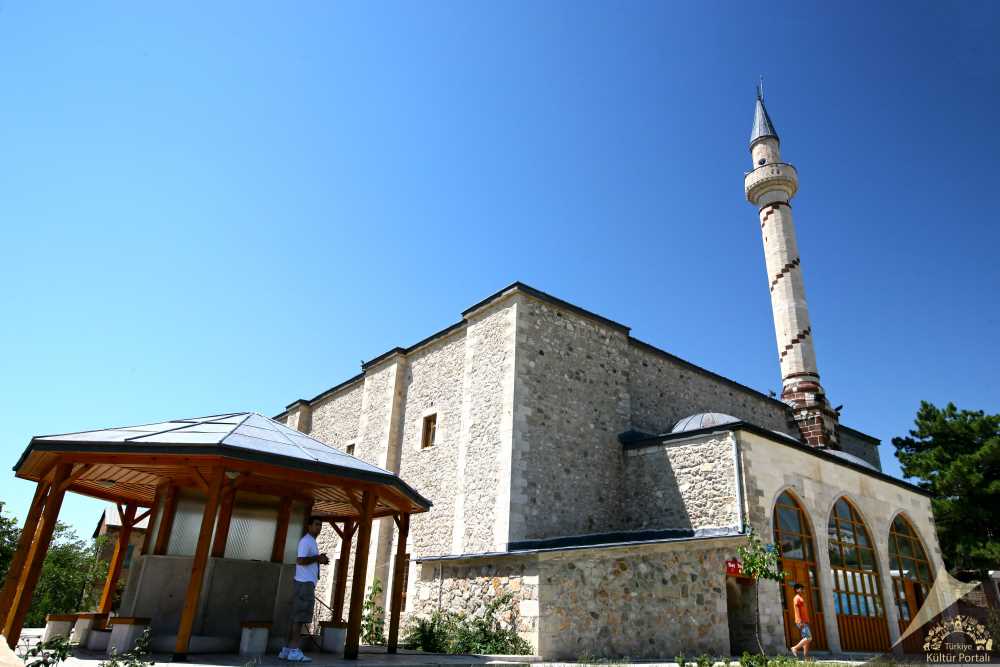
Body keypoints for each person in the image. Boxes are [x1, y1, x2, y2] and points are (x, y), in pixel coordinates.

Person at [279, 516, 329, 662]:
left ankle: (287, 650)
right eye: (316, 524)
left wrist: (319, 559)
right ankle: (294, 651)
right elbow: (300, 560)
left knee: (295, 618)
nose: (319, 527)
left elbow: (308, 559)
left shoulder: (311, 541)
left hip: (304, 583)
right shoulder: (306, 541)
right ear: (309, 526)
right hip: (304, 584)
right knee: (299, 618)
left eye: (320, 525)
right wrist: (317, 558)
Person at [790, 582, 812, 660]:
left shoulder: (800, 597)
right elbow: (797, 610)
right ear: (797, 590)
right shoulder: (797, 598)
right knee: (808, 638)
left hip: (805, 621)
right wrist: (800, 621)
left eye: (803, 588)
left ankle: (806, 657)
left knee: (805, 640)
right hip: (801, 621)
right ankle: (795, 648)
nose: (803, 590)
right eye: (801, 588)